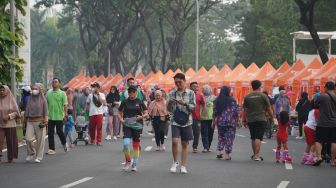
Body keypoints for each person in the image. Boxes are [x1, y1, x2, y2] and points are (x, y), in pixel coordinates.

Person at [167, 73, 196, 174]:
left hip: (187, 121)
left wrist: (185, 103)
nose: (178, 84)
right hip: (175, 120)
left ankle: (183, 166)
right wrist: (170, 103)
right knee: (174, 141)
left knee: (184, 144)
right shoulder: (171, 93)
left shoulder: (191, 93)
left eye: (180, 82)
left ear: (185, 81)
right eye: (176, 82)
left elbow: (193, 108)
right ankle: (175, 162)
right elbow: (168, 109)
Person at [119, 86, 149, 172]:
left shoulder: (139, 102)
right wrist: (121, 119)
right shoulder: (125, 102)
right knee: (125, 143)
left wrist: (141, 116)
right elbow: (119, 112)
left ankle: (134, 164)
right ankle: (128, 161)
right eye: (130, 92)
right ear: (128, 93)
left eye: (133, 92)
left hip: (138, 126)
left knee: (135, 146)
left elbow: (146, 113)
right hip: (127, 125)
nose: (132, 93)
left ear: (136, 92)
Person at [243, 80, 273, 161]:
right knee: (258, 137)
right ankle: (257, 155)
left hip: (251, 119)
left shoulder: (247, 96)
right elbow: (269, 108)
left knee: (253, 137)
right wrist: (272, 117)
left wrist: (243, 119)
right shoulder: (263, 96)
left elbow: (245, 110)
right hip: (261, 118)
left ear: (252, 86)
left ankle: (254, 154)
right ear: (259, 86)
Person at [313, 81, 336, 167]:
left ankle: (319, 157)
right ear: (334, 88)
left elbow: (315, 105)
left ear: (325, 87)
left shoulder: (322, 96)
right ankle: (333, 161)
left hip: (322, 123)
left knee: (319, 141)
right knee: (334, 142)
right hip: (334, 123)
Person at [213, 86, 239, 160]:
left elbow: (215, 112)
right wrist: (237, 120)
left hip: (220, 122)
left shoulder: (216, 100)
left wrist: (213, 121)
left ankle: (220, 152)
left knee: (221, 137)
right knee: (229, 138)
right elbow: (235, 112)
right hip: (230, 122)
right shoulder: (232, 100)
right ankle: (227, 155)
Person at [24, 83, 48, 163]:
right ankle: (31, 152)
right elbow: (27, 109)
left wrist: (45, 119)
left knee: (40, 140)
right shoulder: (30, 98)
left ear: (40, 90)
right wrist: (25, 119)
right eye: (33, 88)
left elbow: (46, 110)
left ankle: (39, 157)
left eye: (36, 89)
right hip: (30, 121)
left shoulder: (43, 99)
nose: (34, 90)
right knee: (28, 138)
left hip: (40, 121)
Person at [46, 78, 68, 155]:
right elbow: (46, 105)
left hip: (59, 116)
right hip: (50, 116)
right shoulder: (48, 93)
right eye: (53, 82)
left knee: (59, 131)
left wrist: (65, 114)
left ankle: (64, 143)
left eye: (56, 82)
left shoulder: (62, 93)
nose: (54, 83)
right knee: (50, 133)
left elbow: (65, 105)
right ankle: (52, 149)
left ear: (59, 84)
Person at [0, 85, 20, 163]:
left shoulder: (12, 100)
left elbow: (17, 113)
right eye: (0, 90)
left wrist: (9, 116)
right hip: (0, 124)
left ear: (7, 91)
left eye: (3, 90)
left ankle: (10, 157)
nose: (1, 92)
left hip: (10, 124)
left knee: (11, 141)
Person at [190, 82, 205, 153]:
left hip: (197, 117)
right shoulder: (187, 95)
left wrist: (202, 114)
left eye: (196, 86)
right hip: (187, 117)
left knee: (196, 133)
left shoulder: (200, 95)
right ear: (190, 87)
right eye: (194, 86)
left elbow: (203, 105)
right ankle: (185, 143)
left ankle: (195, 147)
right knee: (186, 133)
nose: (195, 88)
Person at [200, 85, 215, 153]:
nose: (202, 90)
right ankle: (205, 147)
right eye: (202, 89)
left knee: (210, 133)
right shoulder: (201, 97)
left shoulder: (214, 98)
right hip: (203, 118)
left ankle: (208, 146)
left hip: (212, 118)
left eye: (204, 89)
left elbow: (216, 108)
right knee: (204, 133)